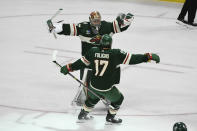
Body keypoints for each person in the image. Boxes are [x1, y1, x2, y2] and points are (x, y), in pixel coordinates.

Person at [59, 34, 160, 124]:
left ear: (101, 43)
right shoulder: (116, 54)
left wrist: (68, 67)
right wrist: (148, 57)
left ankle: (83, 114)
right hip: (106, 88)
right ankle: (110, 117)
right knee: (119, 99)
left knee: (92, 99)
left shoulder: (93, 51)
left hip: (93, 85)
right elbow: (133, 58)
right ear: (110, 44)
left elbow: (80, 63)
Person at [47, 11, 134, 106]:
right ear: (90, 20)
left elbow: (120, 26)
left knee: (108, 79)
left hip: (104, 59)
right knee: (85, 82)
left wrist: (126, 21)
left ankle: (108, 97)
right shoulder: (83, 27)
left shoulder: (106, 26)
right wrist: (55, 27)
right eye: (94, 20)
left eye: (98, 20)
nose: (97, 22)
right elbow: (67, 28)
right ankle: (83, 99)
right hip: (87, 61)